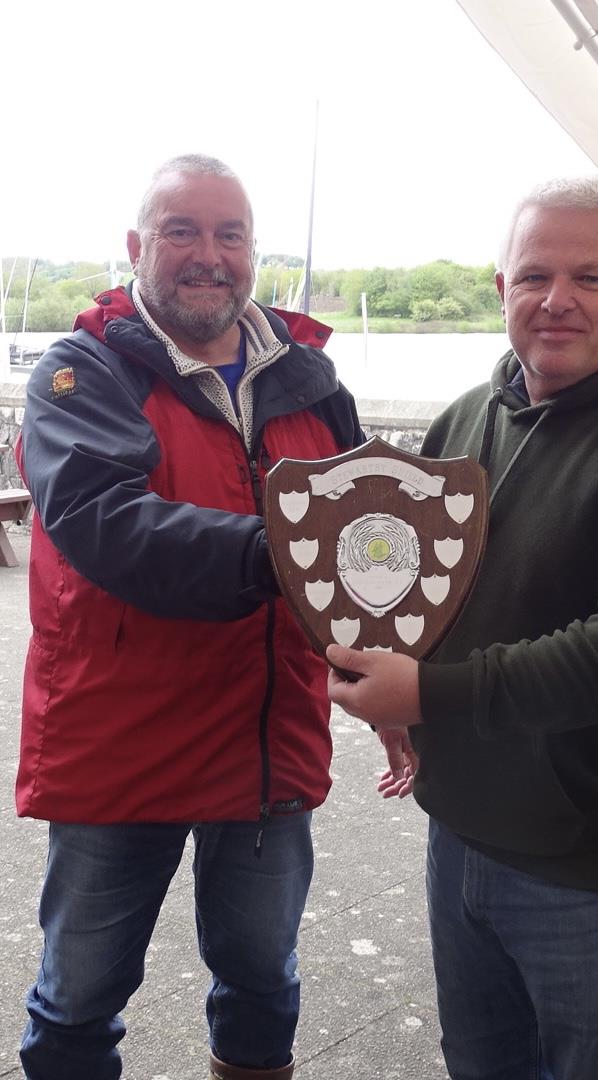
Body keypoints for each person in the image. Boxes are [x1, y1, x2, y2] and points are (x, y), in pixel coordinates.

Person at [327, 173, 598, 1080]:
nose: (555, 300)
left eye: (590, 278)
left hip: (595, 860)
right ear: (500, 290)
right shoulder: (466, 417)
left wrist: (431, 691)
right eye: (532, 276)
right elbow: (410, 589)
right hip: (463, 833)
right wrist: (398, 692)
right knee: (481, 1065)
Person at [15, 154, 363, 1080]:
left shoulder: (311, 376)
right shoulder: (80, 372)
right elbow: (105, 524)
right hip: (120, 743)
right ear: (136, 246)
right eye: (182, 231)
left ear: (253, 252)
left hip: (269, 739)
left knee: (261, 981)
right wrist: (286, 555)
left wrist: (402, 685)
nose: (208, 255)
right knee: (79, 994)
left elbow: (366, 534)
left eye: (230, 234)